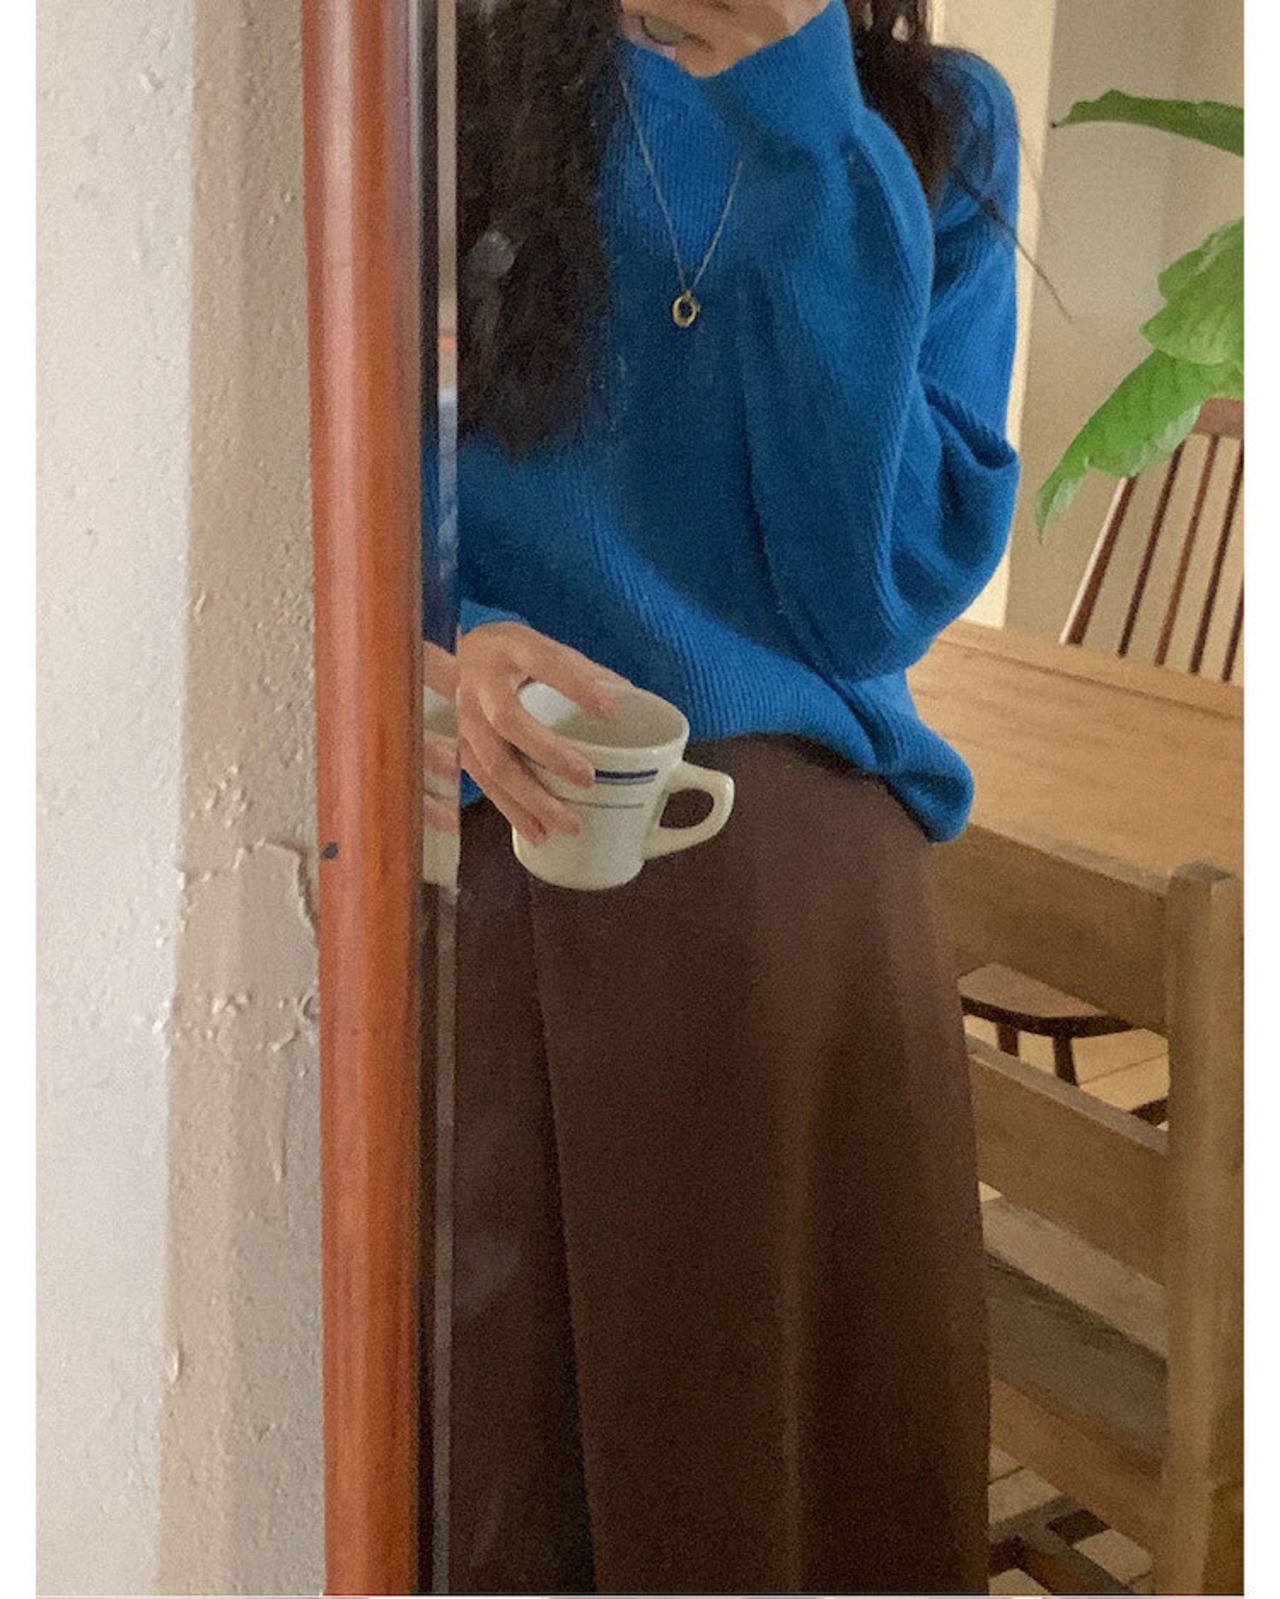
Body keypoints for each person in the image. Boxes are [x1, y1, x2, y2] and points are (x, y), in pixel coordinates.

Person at [420, 0, 1023, 1590]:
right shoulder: (460, 89)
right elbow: (353, 464)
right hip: (514, 833)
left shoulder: (935, 125)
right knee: (512, 1478)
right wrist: (449, 638)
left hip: (807, 894)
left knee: (818, 1481)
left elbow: (867, 600)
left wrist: (804, 122)